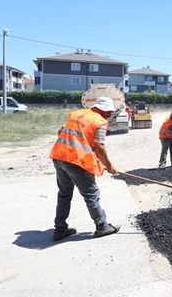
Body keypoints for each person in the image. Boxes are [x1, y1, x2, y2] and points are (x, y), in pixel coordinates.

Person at [49, 96, 120, 241]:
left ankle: (60, 229)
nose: (109, 115)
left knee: (64, 194)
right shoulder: (99, 122)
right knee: (91, 194)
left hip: (60, 156)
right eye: (109, 112)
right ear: (102, 109)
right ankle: (102, 226)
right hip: (76, 162)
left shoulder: (76, 114)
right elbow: (99, 147)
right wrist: (109, 165)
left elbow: (60, 132)